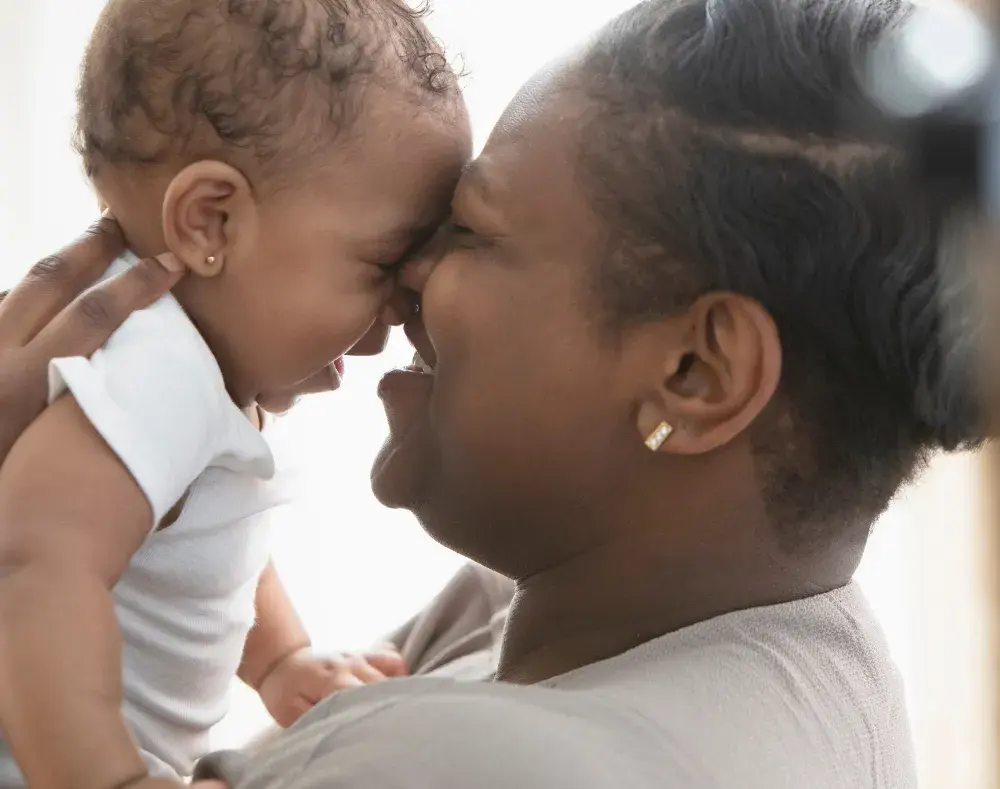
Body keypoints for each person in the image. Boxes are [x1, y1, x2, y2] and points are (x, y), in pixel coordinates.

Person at [1, 0, 985, 786]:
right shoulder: (733, 636)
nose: (410, 276)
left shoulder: (457, 762)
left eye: (468, 230)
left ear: (696, 373)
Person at [0, 0, 470, 787]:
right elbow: (37, 561)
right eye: (385, 263)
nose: (404, 305)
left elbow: (212, 544)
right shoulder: (157, 366)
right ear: (212, 222)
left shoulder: (188, 362)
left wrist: (282, 658)